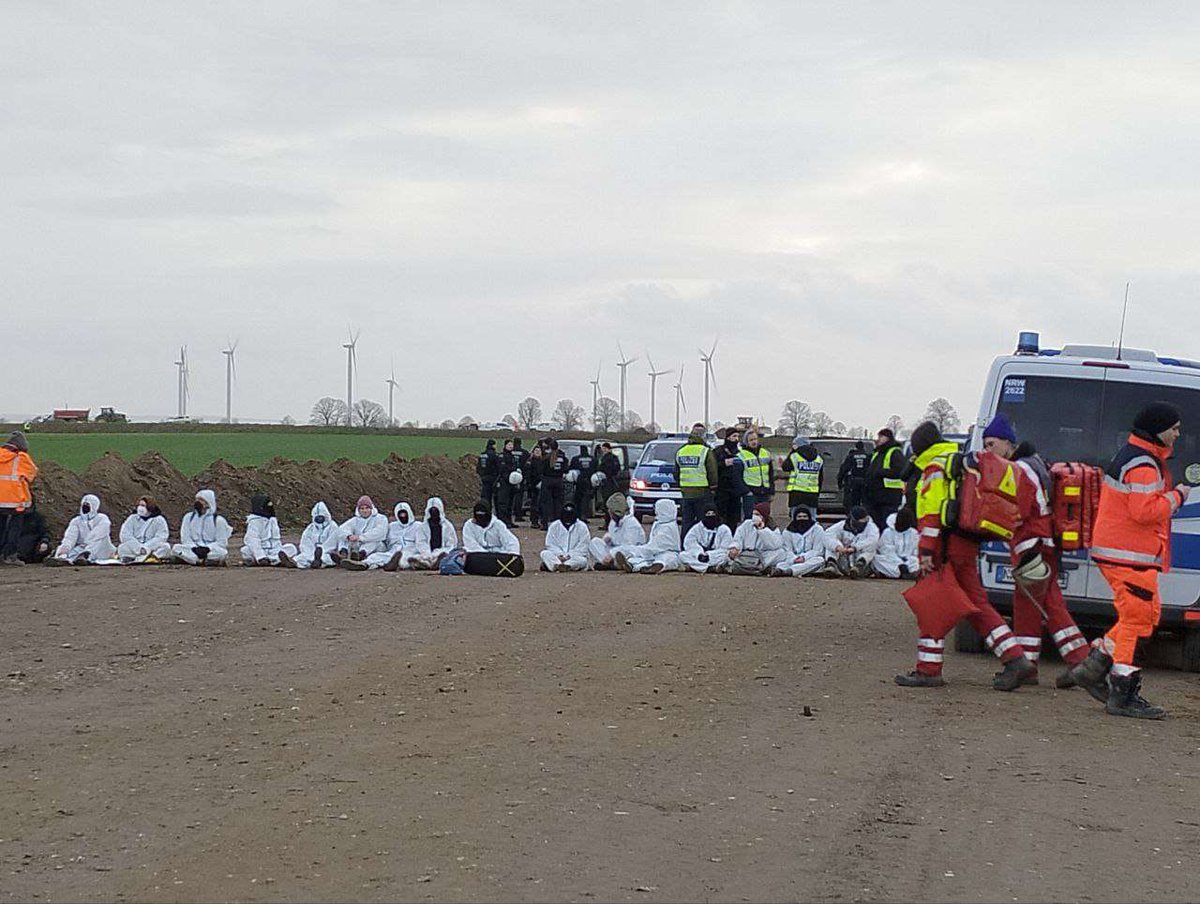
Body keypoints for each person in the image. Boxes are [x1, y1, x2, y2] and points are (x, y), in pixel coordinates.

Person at [1066, 402, 1190, 719]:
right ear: (1159, 429)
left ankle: (1094, 667)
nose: (1178, 434)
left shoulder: (1138, 457)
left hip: (1126, 554)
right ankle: (1123, 693)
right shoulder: (1144, 464)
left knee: (1145, 617)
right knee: (1137, 621)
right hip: (1129, 555)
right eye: (1174, 428)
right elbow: (1144, 512)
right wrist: (1177, 496)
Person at [894, 421, 1034, 689]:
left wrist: (925, 551)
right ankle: (1015, 658)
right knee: (977, 604)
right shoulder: (957, 460)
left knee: (932, 603)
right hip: (965, 544)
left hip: (943, 548)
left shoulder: (934, 467)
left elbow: (933, 514)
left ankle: (928, 669)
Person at [980, 414, 1092, 689]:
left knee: (1049, 603)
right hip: (1038, 544)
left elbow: (1021, 510)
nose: (987, 450)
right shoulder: (1033, 463)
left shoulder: (1020, 469)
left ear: (1008, 443)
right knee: (1028, 604)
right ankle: (1029, 663)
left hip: (1033, 545)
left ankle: (1083, 662)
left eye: (991, 443)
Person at [0, 431, 38, 566]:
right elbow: (32, 474)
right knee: (14, 528)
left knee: (1, 526)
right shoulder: (21, 458)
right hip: (16, 500)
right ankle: (10, 556)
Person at [675, 423, 718, 541]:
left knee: (686, 522)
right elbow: (712, 472)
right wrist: (714, 487)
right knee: (702, 522)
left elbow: (676, 473)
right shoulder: (705, 451)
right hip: (702, 492)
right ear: (703, 436)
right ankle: (701, 545)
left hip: (686, 493)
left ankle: (684, 545)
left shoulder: (681, 451)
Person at [345, 502, 418, 571]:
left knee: (405, 559)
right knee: (378, 556)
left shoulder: (417, 526)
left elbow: (421, 542)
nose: (402, 517)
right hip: (394, 549)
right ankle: (364, 564)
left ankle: (393, 564)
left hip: (410, 550)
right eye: (400, 515)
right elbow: (386, 539)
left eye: (404, 514)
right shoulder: (392, 526)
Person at [615, 498, 681, 574]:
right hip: (654, 552)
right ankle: (632, 565)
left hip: (669, 552)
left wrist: (641, 550)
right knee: (641, 558)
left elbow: (658, 546)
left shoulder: (669, 526)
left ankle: (658, 566)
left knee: (666, 559)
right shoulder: (659, 523)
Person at [49, 494, 115, 565]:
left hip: (101, 548)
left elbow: (98, 534)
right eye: (84, 504)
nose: (85, 507)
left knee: (99, 542)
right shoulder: (76, 521)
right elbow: (70, 536)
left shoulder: (102, 518)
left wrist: (87, 544)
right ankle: (61, 558)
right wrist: (66, 547)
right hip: (81, 547)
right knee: (70, 551)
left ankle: (85, 556)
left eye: (88, 505)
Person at [172, 490, 232, 566]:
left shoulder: (218, 520)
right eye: (197, 499)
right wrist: (194, 548)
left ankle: (192, 560)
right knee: (176, 548)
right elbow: (185, 538)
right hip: (192, 549)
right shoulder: (188, 517)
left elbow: (222, 543)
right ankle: (200, 561)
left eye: (201, 500)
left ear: (208, 502)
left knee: (222, 553)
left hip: (210, 550)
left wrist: (207, 548)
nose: (198, 502)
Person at [589, 493, 647, 569]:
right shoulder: (613, 522)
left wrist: (612, 553)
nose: (609, 512)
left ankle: (615, 564)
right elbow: (614, 538)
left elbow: (629, 547)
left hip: (632, 553)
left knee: (630, 558)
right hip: (616, 550)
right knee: (594, 542)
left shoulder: (631, 524)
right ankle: (612, 564)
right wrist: (608, 539)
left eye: (610, 510)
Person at [820, 505, 881, 578]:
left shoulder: (872, 527)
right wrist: (838, 547)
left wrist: (855, 548)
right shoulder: (840, 525)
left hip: (862, 561)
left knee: (871, 549)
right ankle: (831, 565)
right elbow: (827, 536)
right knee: (831, 546)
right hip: (843, 558)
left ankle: (859, 566)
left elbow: (872, 541)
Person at [726, 501, 785, 575]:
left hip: (762, 555)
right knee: (725, 553)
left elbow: (775, 545)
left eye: (757, 514)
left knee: (781, 553)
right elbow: (738, 539)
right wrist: (735, 548)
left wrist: (762, 530)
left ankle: (759, 567)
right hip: (746, 553)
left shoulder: (772, 528)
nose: (754, 516)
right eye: (753, 514)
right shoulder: (747, 524)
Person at [239, 493, 296, 567]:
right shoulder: (254, 522)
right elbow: (253, 541)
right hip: (260, 551)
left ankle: (276, 560)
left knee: (291, 548)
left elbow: (276, 540)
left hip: (274, 550)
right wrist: (260, 556)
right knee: (246, 550)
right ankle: (274, 561)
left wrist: (277, 549)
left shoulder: (272, 520)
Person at [865, 428, 906, 530]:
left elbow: (900, 471)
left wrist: (880, 472)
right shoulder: (877, 453)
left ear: (887, 438)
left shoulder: (895, 452)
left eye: (881, 437)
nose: (878, 439)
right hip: (875, 497)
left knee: (887, 525)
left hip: (889, 497)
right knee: (875, 525)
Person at [406, 496, 459, 570]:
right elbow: (421, 542)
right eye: (432, 511)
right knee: (416, 557)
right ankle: (427, 564)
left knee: (446, 555)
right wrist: (427, 554)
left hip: (442, 552)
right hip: (426, 554)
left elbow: (451, 544)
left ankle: (434, 563)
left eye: (436, 510)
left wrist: (438, 553)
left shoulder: (447, 526)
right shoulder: (423, 527)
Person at [773, 506, 827, 577]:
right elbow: (787, 550)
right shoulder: (788, 531)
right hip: (793, 559)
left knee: (820, 560)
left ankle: (790, 571)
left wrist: (804, 557)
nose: (802, 519)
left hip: (810, 558)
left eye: (805, 516)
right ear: (795, 518)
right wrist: (794, 558)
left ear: (809, 517)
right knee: (780, 564)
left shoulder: (817, 529)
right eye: (799, 517)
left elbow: (818, 550)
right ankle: (796, 571)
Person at [679, 503, 734, 573]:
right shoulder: (697, 528)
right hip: (699, 556)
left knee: (725, 557)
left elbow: (725, 548)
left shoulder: (724, 529)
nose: (710, 516)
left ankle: (695, 567)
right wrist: (699, 553)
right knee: (682, 555)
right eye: (708, 514)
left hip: (715, 556)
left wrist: (709, 555)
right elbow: (689, 543)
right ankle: (710, 569)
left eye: (713, 514)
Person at [117, 495, 171, 564]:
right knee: (122, 547)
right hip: (135, 548)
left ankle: (152, 557)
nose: (140, 508)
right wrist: (138, 547)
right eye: (139, 505)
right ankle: (135, 558)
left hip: (152, 548)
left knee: (166, 547)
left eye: (143, 505)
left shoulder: (159, 520)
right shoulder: (132, 518)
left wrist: (147, 547)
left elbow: (161, 537)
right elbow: (125, 535)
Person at [540, 502, 591, 572]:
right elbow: (550, 544)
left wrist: (569, 556)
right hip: (557, 557)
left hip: (575, 557)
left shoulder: (582, 527)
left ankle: (565, 566)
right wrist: (560, 555)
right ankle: (557, 565)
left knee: (583, 561)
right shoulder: (554, 526)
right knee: (544, 553)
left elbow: (583, 546)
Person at [736, 430, 775, 520]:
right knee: (750, 519)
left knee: (765, 519)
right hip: (751, 493)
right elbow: (737, 477)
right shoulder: (741, 455)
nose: (754, 442)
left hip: (765, 492)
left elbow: (771, 474)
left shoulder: (765, 453)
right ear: (746, 442)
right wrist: (746, 491)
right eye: (751, 440)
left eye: (755, 439)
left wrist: (771, 490)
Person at [337, 496, 389, 562]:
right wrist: (349, 536)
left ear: (371, 508)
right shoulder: (355, 520)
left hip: (376, 547)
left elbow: (380, 532)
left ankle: (361, 555)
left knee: (374, 541)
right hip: (359, 546)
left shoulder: (381, 518)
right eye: (362, 508)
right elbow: (342, 528)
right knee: (343, 537)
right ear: (358, 510)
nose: (365, 511)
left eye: (367, 508)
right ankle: (343, 554)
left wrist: (361, 537)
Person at [781, 436, 823, 516]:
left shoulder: (794, 456)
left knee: (796, 518)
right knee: (812, 518)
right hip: (812, 494)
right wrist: (817, 492)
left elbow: (785, 467)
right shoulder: (818, 458)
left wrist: (792, 451)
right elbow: (820, 478)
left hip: (796, 493)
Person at [872, 509, 919, 579]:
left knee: (917, 561)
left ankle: (896, 573)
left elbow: (916, 551)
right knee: (876, 559)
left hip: (908, 560)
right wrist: (899, 563)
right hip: (892, 560)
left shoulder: (913, 533)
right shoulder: (888, 532)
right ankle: (903, 573)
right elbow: (886, 550)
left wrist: (906, 560)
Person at [713, 427, 745, 530]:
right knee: (721, 517)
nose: (736, 439)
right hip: (722, 490)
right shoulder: (718, 451)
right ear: (727, 438)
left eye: (738, 437)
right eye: (734, 436)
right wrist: (724, 463)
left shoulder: (740, 453)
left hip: (735, 490)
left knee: (734, 519)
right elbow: (713, 467)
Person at [294, 501, 339, 569]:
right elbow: (305, 541)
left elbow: (333, 542)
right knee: (301, 557)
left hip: (326, 552)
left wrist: (322, 550)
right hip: (311, 552)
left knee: (327, 557)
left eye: (321, 517)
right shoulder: (311, 528)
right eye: (317, 517)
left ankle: (318, 561)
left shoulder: (332, 526)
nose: (319, 519)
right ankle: (295, 563)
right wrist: (310, 552)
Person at [538, 439, 569, 531]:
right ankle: (558, 523)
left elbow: (541, 470)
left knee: (545, 503)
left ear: (550, 447)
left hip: (547, 480)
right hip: (559, 481)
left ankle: (544, 523)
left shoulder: (546, 458)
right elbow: (566, 470)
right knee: (558, 503)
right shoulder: (563, 458)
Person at [838, 440, 872, 512]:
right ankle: (864, 515)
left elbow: (844, 469)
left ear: (856, 447)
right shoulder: (868, 456)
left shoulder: (851, 456)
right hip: (864, 482)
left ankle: (854, 516)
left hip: (854, 482)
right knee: (865, 502)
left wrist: (840, 482)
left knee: (853, 502)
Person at [495, 439, 520, 527]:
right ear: (505, 446)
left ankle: (509, 521)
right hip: (504, 482)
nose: (510, 446)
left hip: (512, 483)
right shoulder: (502, 456)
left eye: (511, 445)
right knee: (503, 503)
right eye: (509, 445)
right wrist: (508, 476)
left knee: (510, 503)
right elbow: (501, 469)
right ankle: (503, 522)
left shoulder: (512, 456)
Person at [568, 444, 596, 521]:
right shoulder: (593, 459)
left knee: (578, 499)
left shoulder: (575, 459)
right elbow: (596, 469)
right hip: (589, 481)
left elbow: (570, 469)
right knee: (586, 499)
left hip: (579, 481)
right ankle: (585, 516)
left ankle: (578, 515)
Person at [510, 437, 530, 521]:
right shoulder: (524, 452)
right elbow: (528, 464)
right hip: (521, 476)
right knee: (519, 496)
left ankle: (511, 512)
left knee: (510, 496)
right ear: (520, 443)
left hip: (510, 476)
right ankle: (518, 514)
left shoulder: (509, 452)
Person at [526, 445, 545, 529]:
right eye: (536, 451)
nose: (537, 452)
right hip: (533, 486)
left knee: (541, 504)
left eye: (539, 451)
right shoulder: (530, 462)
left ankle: (541, 520)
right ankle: (534, 521)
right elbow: (528, 474)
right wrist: (531, 484)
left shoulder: (543, 461)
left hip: (542, 485)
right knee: (534, 504)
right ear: (533, 452)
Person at [477, 439, 500, 510]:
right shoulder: (494, 455)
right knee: (496, 496)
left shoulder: (482, 454)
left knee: (485, 495)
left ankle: (485, 509)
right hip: (492, 478)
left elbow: (478, 467)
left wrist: (481, 474)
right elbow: (498, 466)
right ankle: (493, 511)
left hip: (483, 477)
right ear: (493, 445)